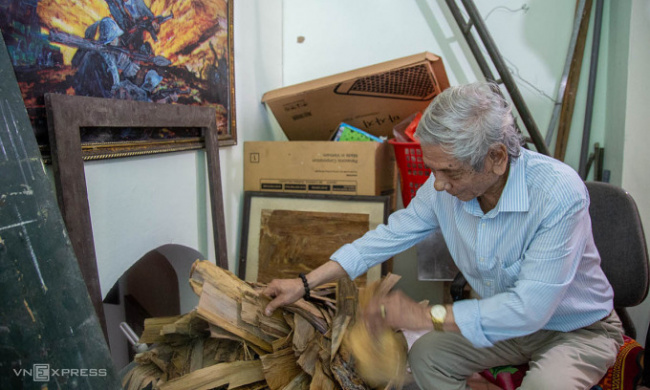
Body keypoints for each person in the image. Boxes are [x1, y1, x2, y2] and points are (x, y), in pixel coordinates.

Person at [262, 81, 624, 389]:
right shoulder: (442, 189)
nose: (437, 183)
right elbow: (386, 237)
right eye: (433, 168)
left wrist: (426, 316)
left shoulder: (558, 193)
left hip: (576, 329)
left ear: (496, 157)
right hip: (508, 328)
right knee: (427, 357)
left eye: (450, 171)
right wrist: (304, 284)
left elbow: (529, 309)